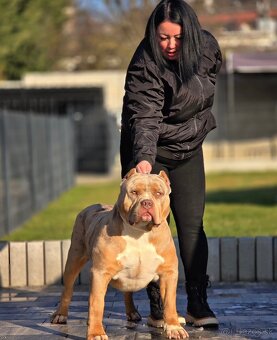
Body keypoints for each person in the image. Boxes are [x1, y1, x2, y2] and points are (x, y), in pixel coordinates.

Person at [120, 0, 222, 328]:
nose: (170, 45)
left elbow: (206, 89)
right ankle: (157, 307)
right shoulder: (145, 63)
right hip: (151, 150)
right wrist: (144, 162)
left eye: (177, 38)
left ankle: (197, 303)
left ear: (190, 34)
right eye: (163, 38)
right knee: (149, 226)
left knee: (192, 225)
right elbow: (145, 116)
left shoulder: (207, 49)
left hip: (188, 148)